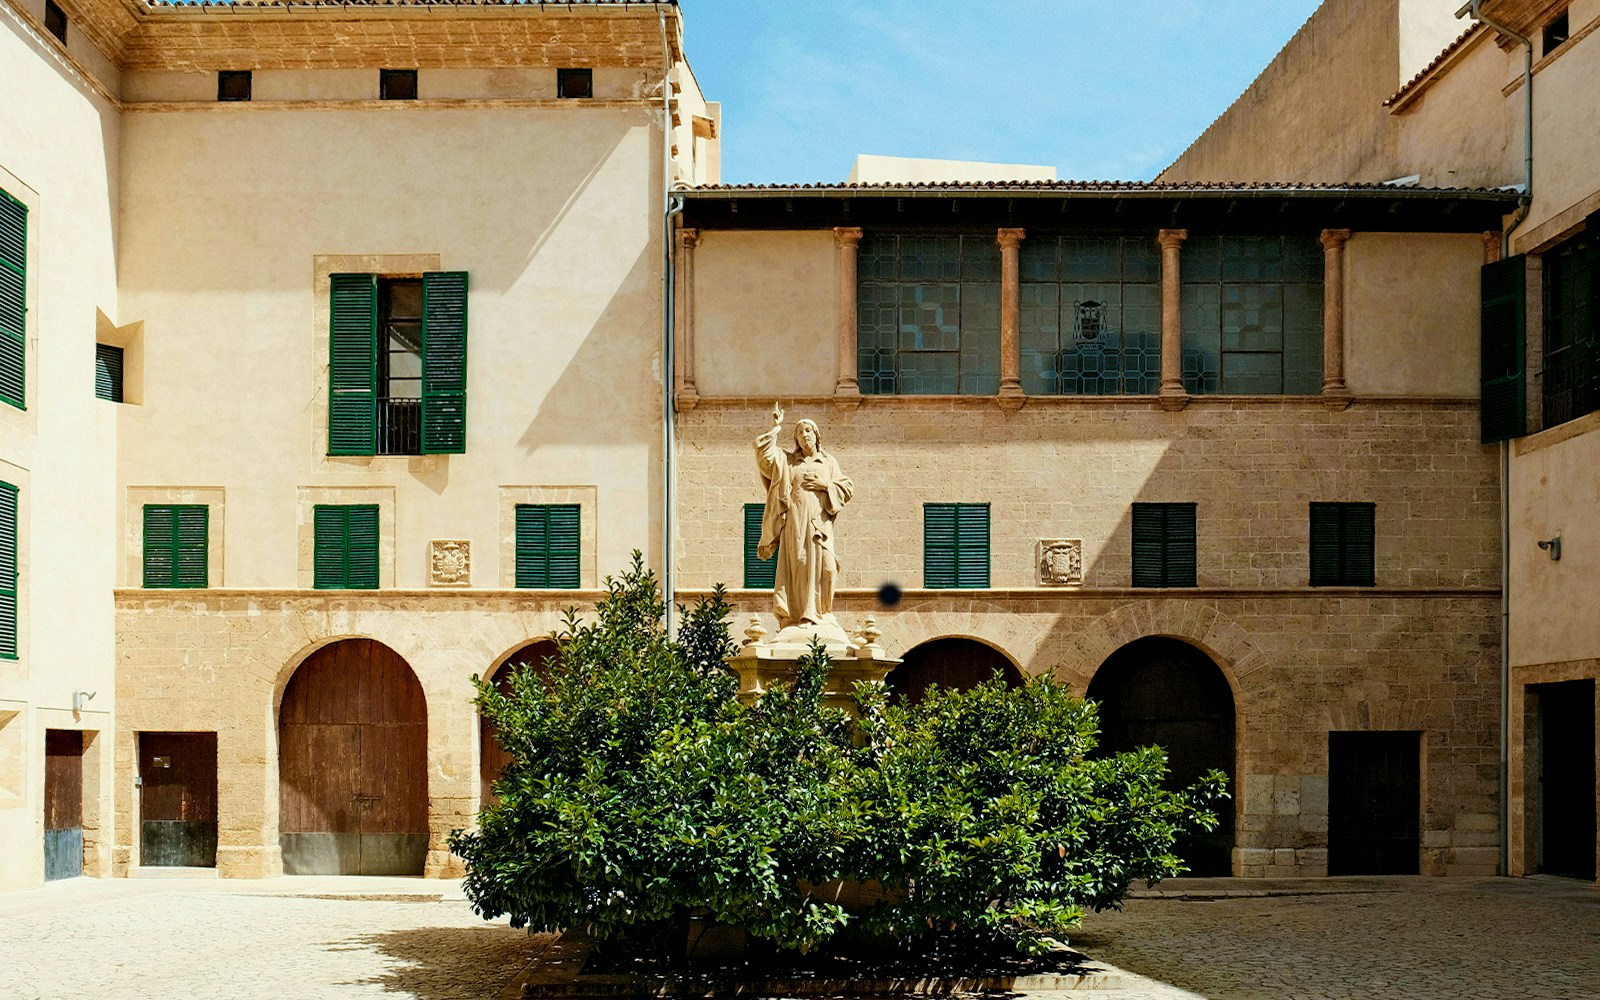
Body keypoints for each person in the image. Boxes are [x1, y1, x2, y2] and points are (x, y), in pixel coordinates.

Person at [753, 403, 854, 634]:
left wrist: (825, 485)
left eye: (808, 430)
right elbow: (764, 458)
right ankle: (802, 615)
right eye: (799, 432)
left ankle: (823, 613)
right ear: (796, 439)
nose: (804, 435)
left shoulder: (828, 462)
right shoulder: (789, 462)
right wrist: (775, 427)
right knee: (800, 564)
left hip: (820, 525)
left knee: (828, 568)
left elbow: (847, 487)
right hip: (796, 524)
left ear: (816, 435)